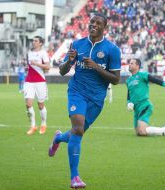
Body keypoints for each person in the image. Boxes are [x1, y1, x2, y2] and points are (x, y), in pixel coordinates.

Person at [48, 13, 121, 189]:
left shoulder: (112, 50)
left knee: (76, 133)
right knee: (78, 128)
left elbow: (116, 80)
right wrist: (70, 61)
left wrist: (95, 67)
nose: (93, 25)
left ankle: (58, 138)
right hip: (77, 92)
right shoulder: (77, 44)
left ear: (105, 28)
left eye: (98, 23)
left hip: (96, 99)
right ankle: (75, 178)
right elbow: (63, 71)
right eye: (92, 22)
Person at [126, 58, 165, 137]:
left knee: (142, 131)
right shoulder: (128, 80)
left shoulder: (142, 75)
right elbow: (129, 93)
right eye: (129, 63)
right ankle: (164, 130)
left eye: (132, 63)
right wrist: (129, 102)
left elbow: (154, 80)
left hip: (144, 105)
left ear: (137, 66)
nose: (129, 65)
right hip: (136, 109)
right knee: (139, 133)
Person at [24, 36, 50, 135]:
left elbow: (47, 67)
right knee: (28, 104)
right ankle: (33, 126)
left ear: (40, 43)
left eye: (36, 41)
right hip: (29, 81)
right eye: (33, 41)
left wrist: (36, 64)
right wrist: (28, 67)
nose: (33, 42)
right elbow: (29, 65)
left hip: (40, 82)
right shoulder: (29, 53)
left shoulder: (43, 53)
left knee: (40, 105)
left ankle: (43, 124)